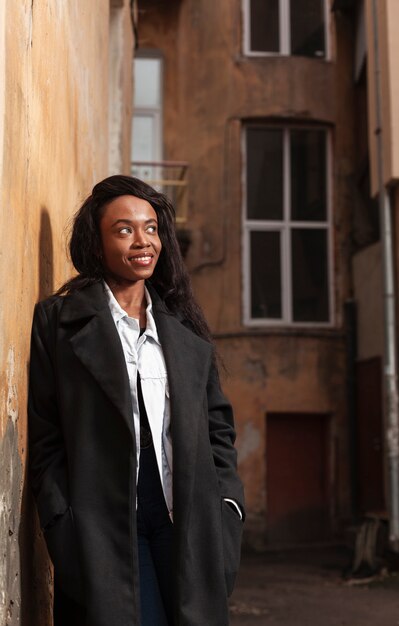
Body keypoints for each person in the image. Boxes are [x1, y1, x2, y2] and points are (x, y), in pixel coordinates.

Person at [28, 175, 245, 626]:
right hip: (103, 530)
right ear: (98, 241)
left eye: (151, 227)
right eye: (124, 229)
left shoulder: (182, 325)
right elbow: (46, 438)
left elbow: (217, 428)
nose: (143, 241)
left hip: (185, 521)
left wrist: (228, 508)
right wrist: (60, 523)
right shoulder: (59, 322)